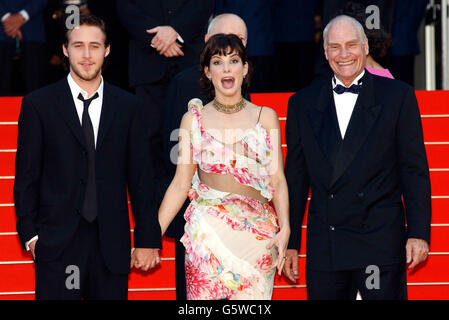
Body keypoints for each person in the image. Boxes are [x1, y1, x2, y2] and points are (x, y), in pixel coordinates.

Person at [14, 14, 161, 300]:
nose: (86, 54)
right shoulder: (38, 105)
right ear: (65, 50)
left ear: (107, 51)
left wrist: (146, 238)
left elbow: (142, 179)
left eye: (95, 46)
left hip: (111, 244)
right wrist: (31, 235)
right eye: (78, 45)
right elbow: (27, 176)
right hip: (57, 243)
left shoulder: (129, 107)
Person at [283, 15, 431, 300]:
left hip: (378, 240)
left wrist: (418, 233)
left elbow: (413, 170)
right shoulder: (302, 103)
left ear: (365, 47)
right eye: (335, 47)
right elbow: (296, 179)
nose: (343, 54)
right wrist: (291, 242)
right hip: (326, 243)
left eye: (351, 45)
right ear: (325, 53)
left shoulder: (398, 96)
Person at [154, 34, 290, 300]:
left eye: (234, 60)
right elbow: (181, 183)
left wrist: (285, 228)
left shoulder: (267, 117)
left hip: (258, 237)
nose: (227, 68)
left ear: (245, 68)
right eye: (217, 62)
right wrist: (151, 235)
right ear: (207, 71)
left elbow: (278, 179)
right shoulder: (192, 120)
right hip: (207, 235)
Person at [161, 13, 248, 300]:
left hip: (244, 223)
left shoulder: (249, 91)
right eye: (226, 42)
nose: (232, 51)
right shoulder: (185, 84)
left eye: (241, 43)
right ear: (208, 42)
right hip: (198, 218)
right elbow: (174, 155)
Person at [116, 0, 214, 177]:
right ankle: (155, 202)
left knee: (193, 134)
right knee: (148, 138)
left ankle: (192, 200)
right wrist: (157, 38)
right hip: (147, 62)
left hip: (189, 58)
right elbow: (125, 7)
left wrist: (176, 31)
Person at [0, 0, 47, 96]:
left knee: (35, 91)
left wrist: (23, 16)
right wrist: (4, 16)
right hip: (2, 34)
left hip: (33, 33)